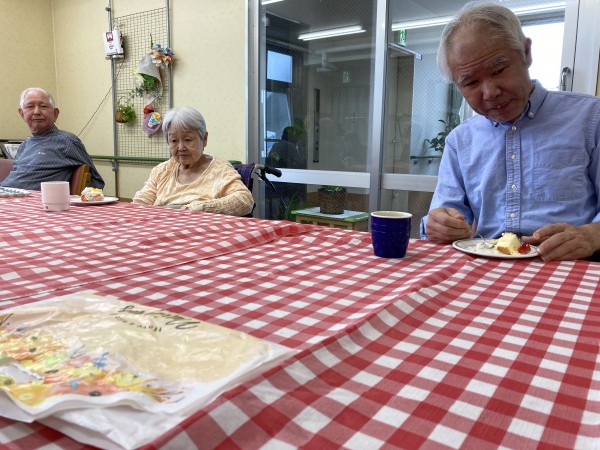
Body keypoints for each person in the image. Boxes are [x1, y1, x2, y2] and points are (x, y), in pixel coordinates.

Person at [420, 2, 600, 262]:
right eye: (471, 82)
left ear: (526, 53)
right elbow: (445, 213)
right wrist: (439, 224)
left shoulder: (591, 118)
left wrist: (592, 235)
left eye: (499, 70)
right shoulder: (460, 141)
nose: (490, 92)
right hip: (484, 267)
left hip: (569, 267)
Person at [132, 106, 254, 216]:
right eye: (174, 141)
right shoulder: (162, 170)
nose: (181, 147)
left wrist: (195, 209)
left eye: (188, 139)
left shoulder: (219, 169)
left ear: (204, 139)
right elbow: (140, 203)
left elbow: (244, 200)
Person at [1, 87, 104, 190]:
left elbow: (96, 182)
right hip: (6, 194)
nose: (36, 112)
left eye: (43, 106)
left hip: (34, 199)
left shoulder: (67, 142)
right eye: (30, 106)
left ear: (55, 114)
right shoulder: (25, 144)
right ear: (22, 114)